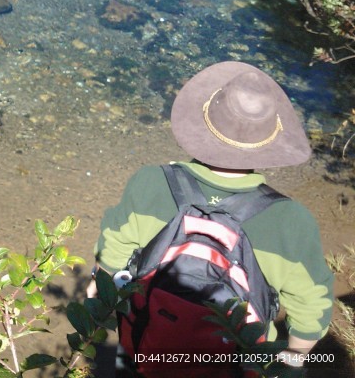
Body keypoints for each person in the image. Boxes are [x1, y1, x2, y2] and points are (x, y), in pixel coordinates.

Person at [88, 61, 334, 374]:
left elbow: (106, 266)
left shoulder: (150, 182)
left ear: (202, 126)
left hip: (146, 348)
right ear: (269, 142)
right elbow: (311, 310)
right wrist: (291, 364)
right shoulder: (291, 220)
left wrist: (100, 329)